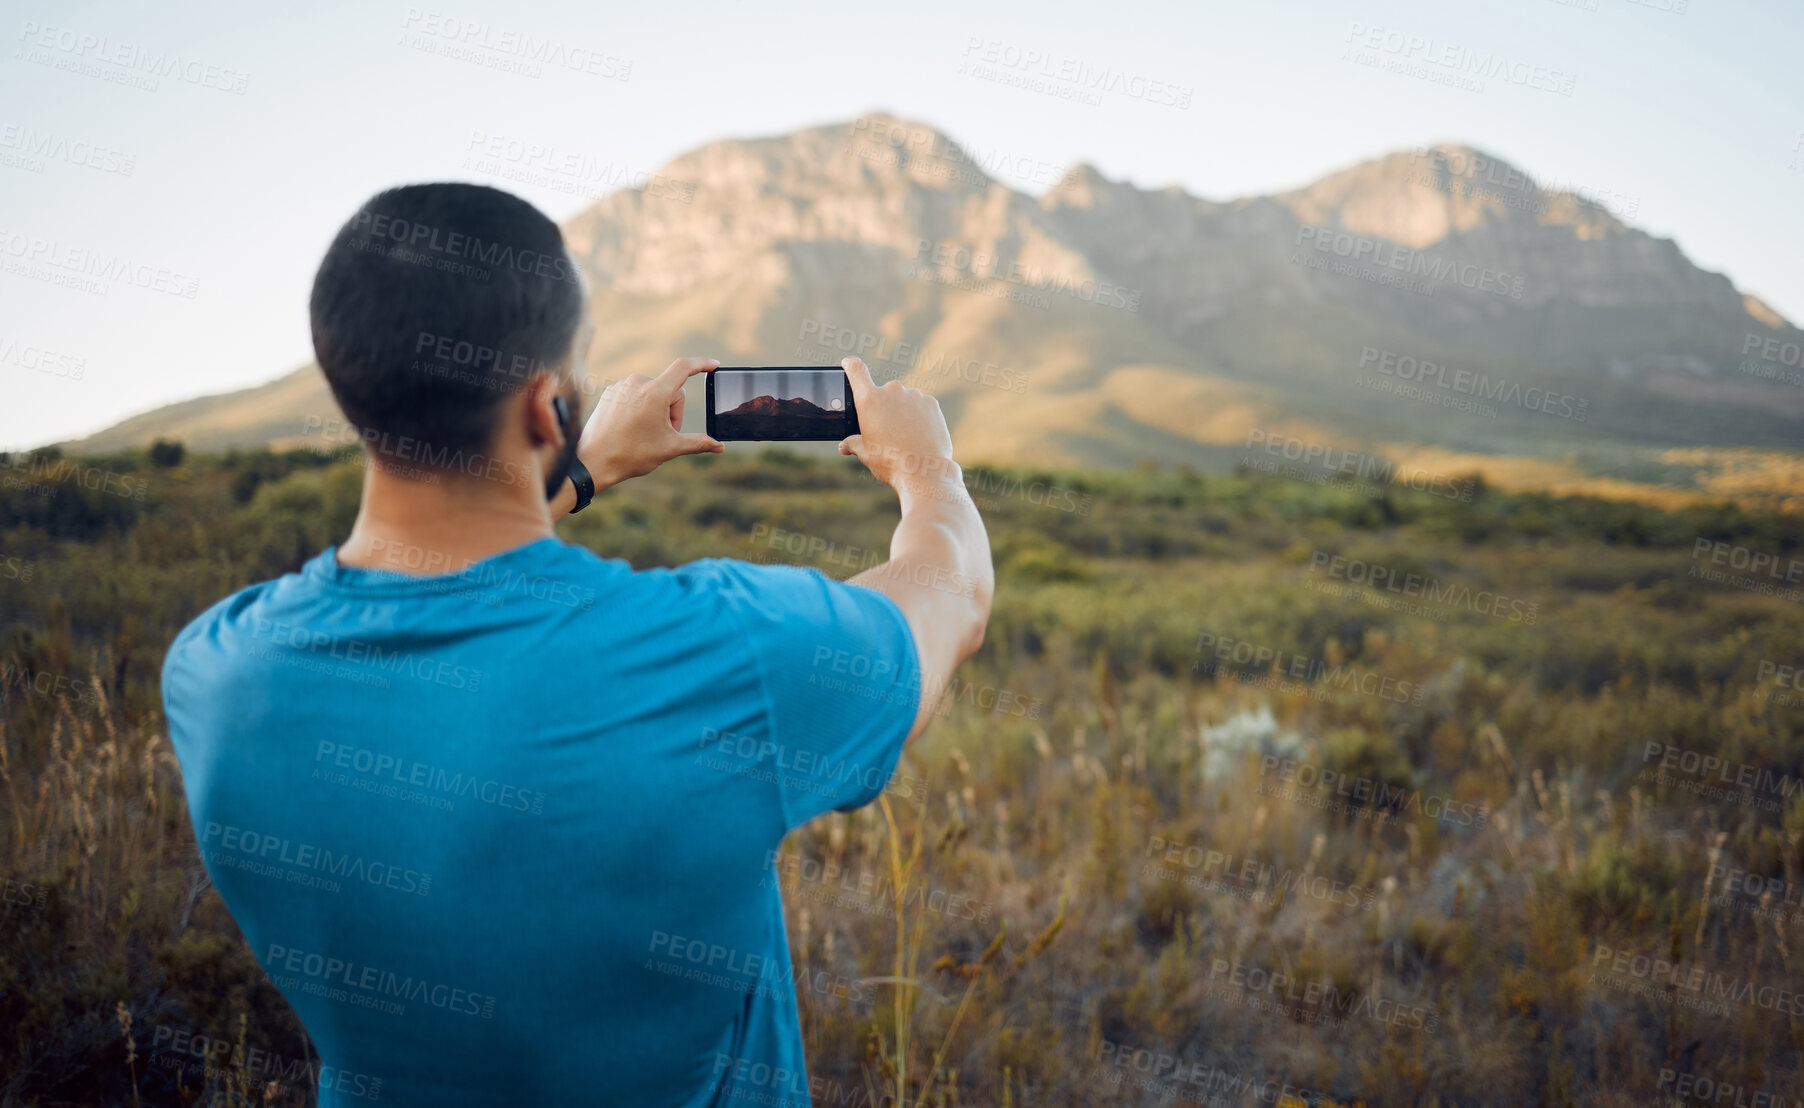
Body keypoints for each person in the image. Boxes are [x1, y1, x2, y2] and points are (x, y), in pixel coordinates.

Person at [161, 182, 993, 1106]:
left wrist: (579, 469)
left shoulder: (214, 672)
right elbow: (951, 598)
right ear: (544, 406)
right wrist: (927, 466)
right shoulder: (722, 655)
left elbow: (451, 579)